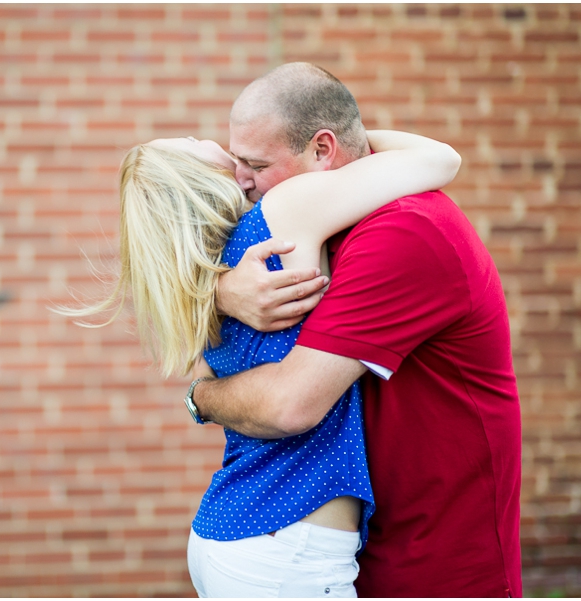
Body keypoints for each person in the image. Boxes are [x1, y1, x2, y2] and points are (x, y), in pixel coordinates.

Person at [56, 122, 461, 596]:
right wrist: (346, 129)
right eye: (188, 143)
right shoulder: (284, 212)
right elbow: (439, 160)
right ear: (195, 175)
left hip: (237, 537)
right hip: (285, 548)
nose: (199, 136)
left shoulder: (205, 282)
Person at [187, 63, 523, 597]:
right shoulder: (323, 228)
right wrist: (221, 291)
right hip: (365, 556)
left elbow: (289, 403)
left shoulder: (403, 231)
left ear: (323, 151)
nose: (241, 181)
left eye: (254, 164)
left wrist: (201, 397)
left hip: (436, 567)